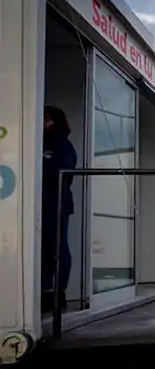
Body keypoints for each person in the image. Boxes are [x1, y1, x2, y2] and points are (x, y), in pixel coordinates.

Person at [41, 106, 78, 313]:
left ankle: (57, 292)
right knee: (44, 249)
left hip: (56, 203)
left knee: (56, 248)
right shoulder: (39, 141)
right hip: (41, 203)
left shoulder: (62, 145)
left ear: (51, 120)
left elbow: (62, 175)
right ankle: (45, 291)